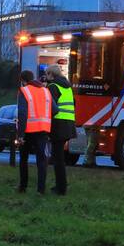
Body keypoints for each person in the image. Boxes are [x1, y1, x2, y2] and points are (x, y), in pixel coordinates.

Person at [17, 70, 52, 194]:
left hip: (28, 131)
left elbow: (22, 113)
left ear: (23, 81)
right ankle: (41, 189)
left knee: (23, 159)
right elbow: (55, 109)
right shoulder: (46, 91)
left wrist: (20, 135)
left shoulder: (24, 91)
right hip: (43, 130)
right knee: (41, 160)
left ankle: (23, 187)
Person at [45, 65, 75, 195]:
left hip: (58, 125)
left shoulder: (53, 87)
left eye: (46, 74)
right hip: (68, 124)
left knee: (58, 159)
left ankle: (60, 188)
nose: (45, 77)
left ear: (51, 75)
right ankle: (61, 186)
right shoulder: (68, 87)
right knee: (59, 157)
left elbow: (50, 107)